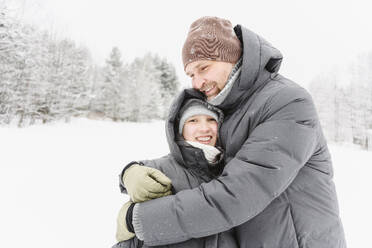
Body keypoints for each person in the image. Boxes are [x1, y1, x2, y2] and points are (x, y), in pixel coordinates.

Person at [116, 16, 346, 247]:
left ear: (232, 58)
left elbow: (237, 194)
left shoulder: (287, 101)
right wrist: (133, 171)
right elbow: (195, 163)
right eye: (191, 74)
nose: (197, 83)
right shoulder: (227, 109)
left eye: (203, 68)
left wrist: (138, 220)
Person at [114, 92, 238, 248]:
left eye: (211, 120)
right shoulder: (157, 171)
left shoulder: (233, 170)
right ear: (180, 129)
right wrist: (129, 172)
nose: (204, 128)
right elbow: (131, 239)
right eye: (193, 121)